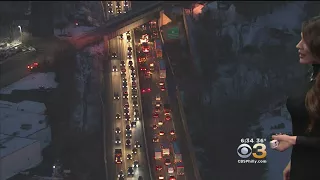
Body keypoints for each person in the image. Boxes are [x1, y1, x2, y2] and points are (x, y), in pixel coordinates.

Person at [272, 16, 320, 180]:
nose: (298, 45)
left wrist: (294, 140)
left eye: (304, 41)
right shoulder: (314, 75)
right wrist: (294, 162)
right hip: (304, 165)